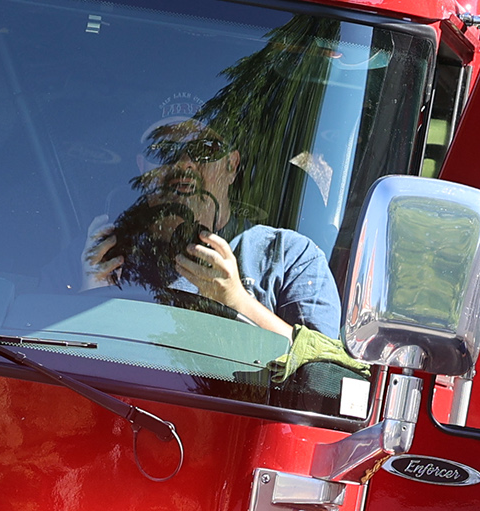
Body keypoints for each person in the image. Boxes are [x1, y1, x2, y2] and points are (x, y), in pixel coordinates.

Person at [85, 99, 341, 340]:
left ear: (232, 165)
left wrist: (236, 300)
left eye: (204, 149)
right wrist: (84, 299)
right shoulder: (97, 254)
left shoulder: (289, 258)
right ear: (143, 167)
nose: (185, 164)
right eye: (165, 150)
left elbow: (325, 369)